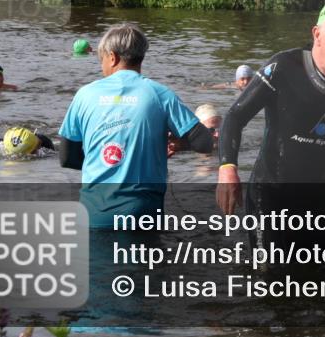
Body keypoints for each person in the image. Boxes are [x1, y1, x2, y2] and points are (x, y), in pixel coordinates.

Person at [216, 0, 325, 246]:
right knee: (267, 276)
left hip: (320, 199)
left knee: (323, 277)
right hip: (270, 196)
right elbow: (235, 117)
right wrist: (227, 169)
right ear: (317, 34)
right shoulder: (282, 68)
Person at [57, 23, 214, 228]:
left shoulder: (84, 95)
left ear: (112, 57)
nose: (101, 65)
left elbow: (67, 157)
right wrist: (181, 145)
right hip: (142, 214)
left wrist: (105, 164)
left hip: (93, 214)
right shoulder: (160, 94)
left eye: (101, 59)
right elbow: (204, 142)